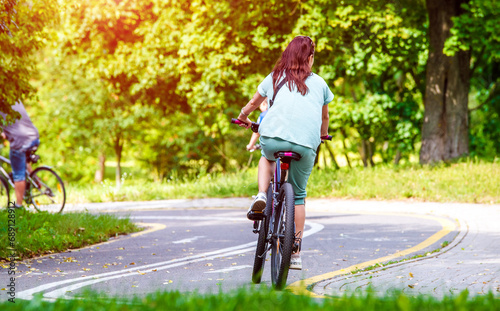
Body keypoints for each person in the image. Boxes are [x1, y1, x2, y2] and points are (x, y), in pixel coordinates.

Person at [237, 36, 333, 270]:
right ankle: (296, 253)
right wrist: (322, 135)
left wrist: (243, 117)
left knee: (266, 157)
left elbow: (252, 103)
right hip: (305, 145)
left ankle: (261, 195)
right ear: (310, 58)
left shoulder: (275, 77)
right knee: (298, 196)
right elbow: (324, 117)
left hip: (272, 138)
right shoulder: (320, 83)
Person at [0, 101, 40, 208]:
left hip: (20, 142)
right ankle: (36, 181)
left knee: (18, 173)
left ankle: (18, 205)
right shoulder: (13, 98)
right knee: (24, 162)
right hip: (34, 137)